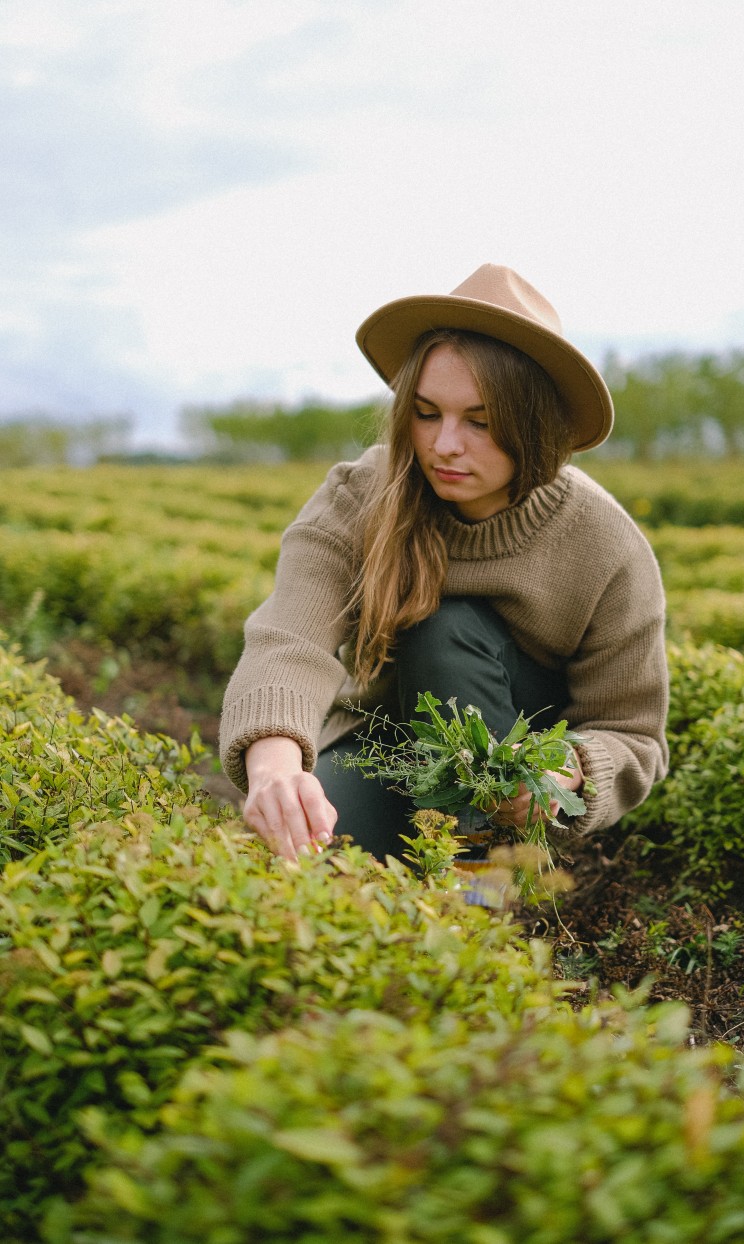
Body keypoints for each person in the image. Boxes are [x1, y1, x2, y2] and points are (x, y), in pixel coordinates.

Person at [220, 263, 669, 862]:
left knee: (444, 627)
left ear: (534, 428)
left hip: (513, 781)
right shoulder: (360, 497)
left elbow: (634, 731)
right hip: (389, 746)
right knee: (309, 854)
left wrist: (568, 771)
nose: (444, 445)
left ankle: (486, 875)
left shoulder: (604, 544)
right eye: (427, 413)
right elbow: (288, 640)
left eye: (479, 422)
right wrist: (276, 767)